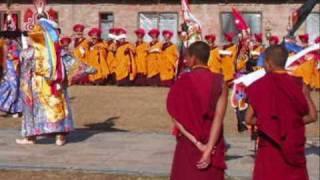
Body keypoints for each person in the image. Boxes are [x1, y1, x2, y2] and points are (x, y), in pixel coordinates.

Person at [246, 45, 317, 180]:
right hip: (293, 145)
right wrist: (290, 121)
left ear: (268, 63)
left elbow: (249, 119)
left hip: (269, 148)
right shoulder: (299, 84)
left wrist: (270, 123)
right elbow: (313, 116)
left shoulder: (258, 86)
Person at [167, 41, 227, 180]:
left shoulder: (183, 80)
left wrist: (197, 143)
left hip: (189, 142)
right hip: (213, 143)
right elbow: (219, 117)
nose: (185, 60)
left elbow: (175, 117)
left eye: (187, 57)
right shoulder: (220, 82)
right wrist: (209, 148)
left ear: (193, 58)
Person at [17, 16, 74, 146]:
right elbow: (72, 66)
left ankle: (31, 137)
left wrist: (24, 87)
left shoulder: (28, 53)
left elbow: (25, 73)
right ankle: (60, 137)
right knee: (58, 107)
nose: (29, 38)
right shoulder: (60, 52)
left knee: (34, 110)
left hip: (37, 86)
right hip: (56, 85)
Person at [0, 39, 22, 117]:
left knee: (15, 88)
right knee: (14, 88)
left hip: (17, 70)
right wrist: (5, 70)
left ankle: (15, 109)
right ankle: (5, 106)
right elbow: (4, 59)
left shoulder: (17, 42)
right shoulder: (5, 44)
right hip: (10, 70)